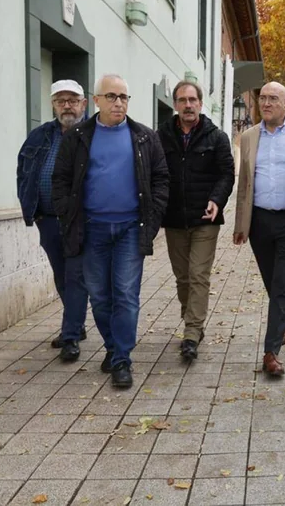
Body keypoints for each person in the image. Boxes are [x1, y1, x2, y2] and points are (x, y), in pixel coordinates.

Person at [52, 74, 169, 388]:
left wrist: (154, 217)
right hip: (92, 230)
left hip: (131, 228)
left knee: (127, 296)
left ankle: (121, 360)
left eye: (124, 97)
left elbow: (160, 179)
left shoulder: (144, 136)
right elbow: (60, 180)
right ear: (97, 100)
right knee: (101, 297)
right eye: (112, 96)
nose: (119, 102)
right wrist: (67, 214)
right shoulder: (77, 136)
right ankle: (113, 346)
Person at [233, 82, 285, 376]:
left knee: (283, 285)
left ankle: (270, 352)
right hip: (260, 222)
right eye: (262, 97)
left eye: (273, 99)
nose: (266, 103)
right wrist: (242, 224)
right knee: (272, 282)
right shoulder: (250, 136)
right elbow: (245, 185)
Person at [157, 81, 235, 360]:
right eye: (182, 100)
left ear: (200, 104)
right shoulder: (162, 136)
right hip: (174, 218)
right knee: (183, 278)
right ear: (176, 104)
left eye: (192, 100)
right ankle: (193, 319)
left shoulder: (217, 137)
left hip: (205, 218)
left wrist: (217, 200)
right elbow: (156, 174)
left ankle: (191, 332)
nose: (188, 105)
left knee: (198, 275)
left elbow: (227, 174)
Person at [17, 79, 89, 362]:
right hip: (47, 220)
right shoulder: (39, 136)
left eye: (72, 100)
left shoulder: (91, 135)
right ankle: (77, 325)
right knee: (61, 276)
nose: (67, 105)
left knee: (75, 277)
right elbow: (23, 171)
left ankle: (70, 336)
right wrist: (31, 210)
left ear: (84, 104)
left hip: (79, 220)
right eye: (61, 100)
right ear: (53, 104)